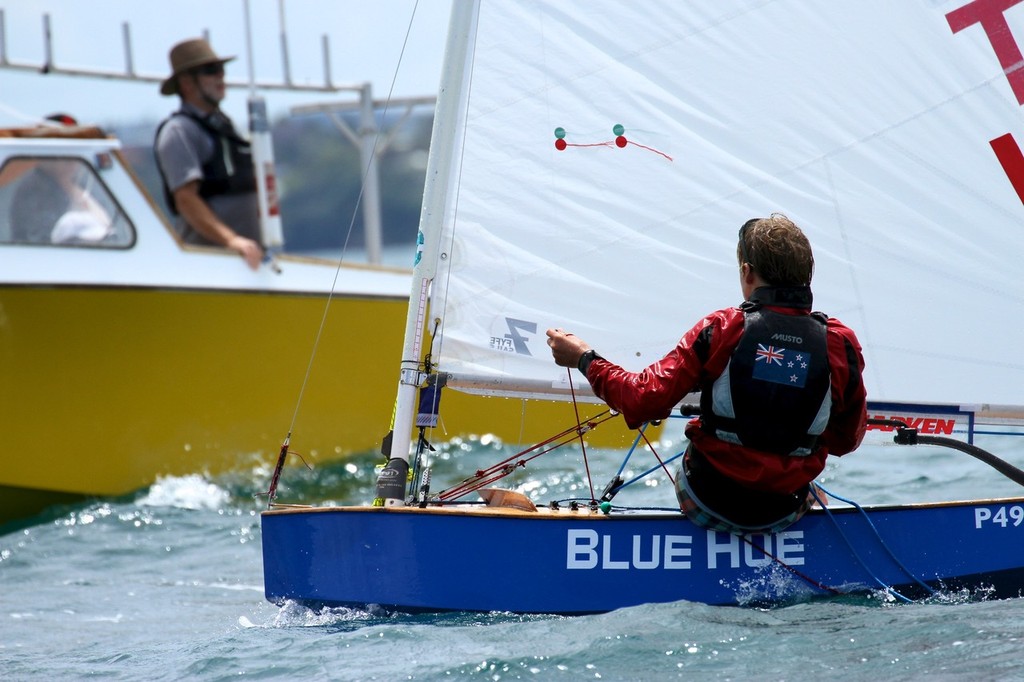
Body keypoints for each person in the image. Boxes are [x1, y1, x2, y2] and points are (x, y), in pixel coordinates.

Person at [546, 214, 867, 535]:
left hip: (707, 500)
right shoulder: (839, 343)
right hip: (782, 509)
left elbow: (642, 400)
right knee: (812, 490)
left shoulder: (723, 329)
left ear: (747, 272)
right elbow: (845, 440)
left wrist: (584, 359)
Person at [154, 38, 263, 270]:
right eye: (211, 71)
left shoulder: (226, 126)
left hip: (247, 263)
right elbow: (186, 199)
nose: (220, 77)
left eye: (221, 70)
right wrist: (232, 241)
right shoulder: (178, 132)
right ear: (186, 83)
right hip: (210, 267)